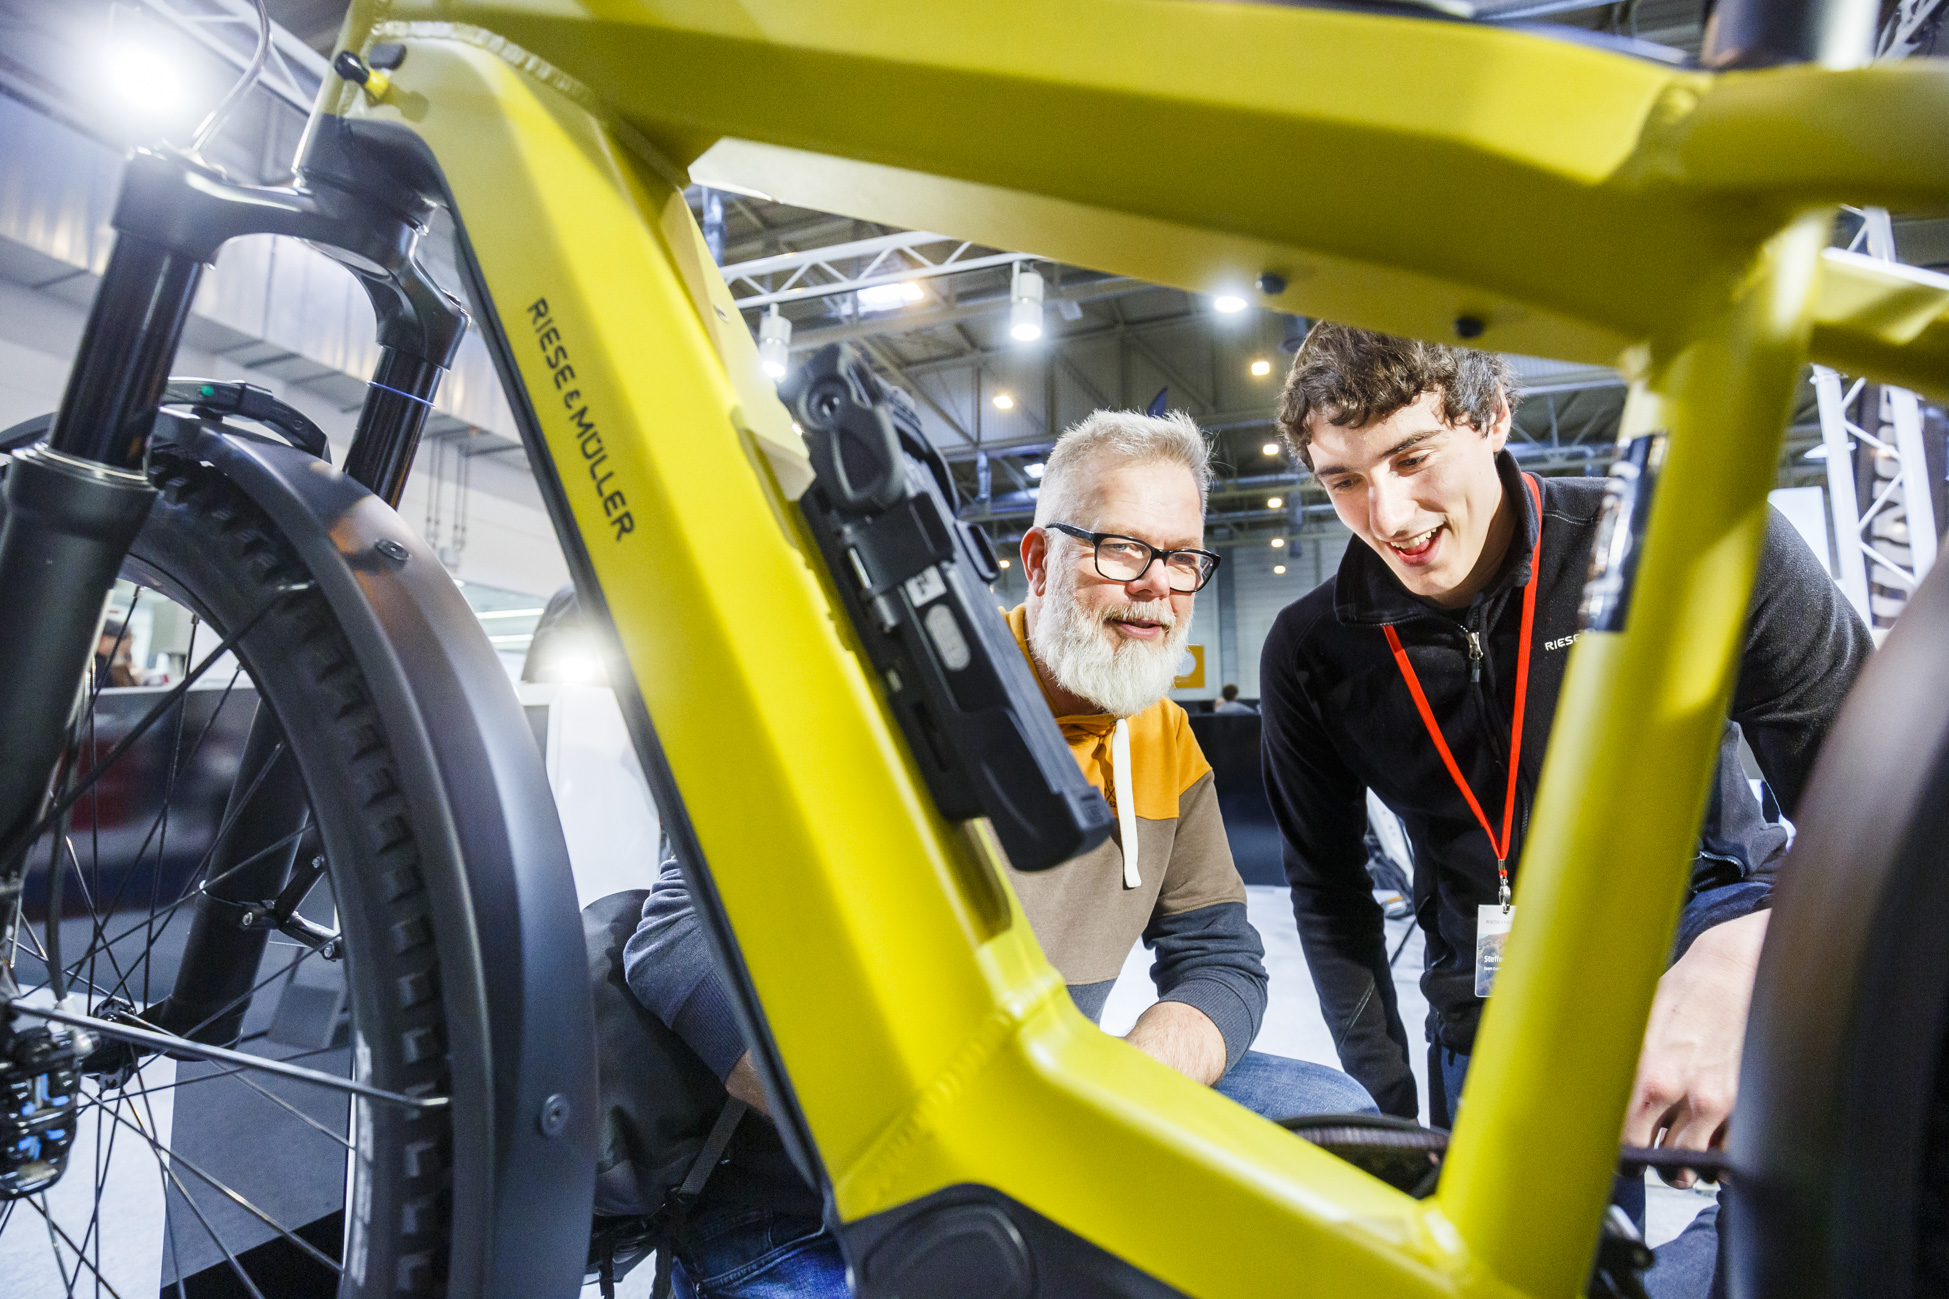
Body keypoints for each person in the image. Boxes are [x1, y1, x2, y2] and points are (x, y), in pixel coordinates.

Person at [625, 407, 1375, 1298]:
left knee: (1333, 1122)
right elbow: (676, 935)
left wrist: (1136, 1074)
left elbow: (1221, 956)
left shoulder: (1165, 743)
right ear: (1037, 560)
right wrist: (875, 1118)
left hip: (1042, 1127)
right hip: (818, 1178)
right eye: (1121, 549)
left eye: (1180, 558)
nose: (1156, 587)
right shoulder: (864, 694)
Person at [1258, 324, 1871, 1295]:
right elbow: (1326, 892)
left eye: (1410, 458)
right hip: (1491, 988)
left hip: (1703, 940)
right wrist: (1384, 1110)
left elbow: (1870, 804)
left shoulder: (1678, 543)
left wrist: (1755, 945)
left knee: (1805, 1249)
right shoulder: (1311, 651)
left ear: (1492, 417)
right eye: (1340, 480)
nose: (1385, 513)